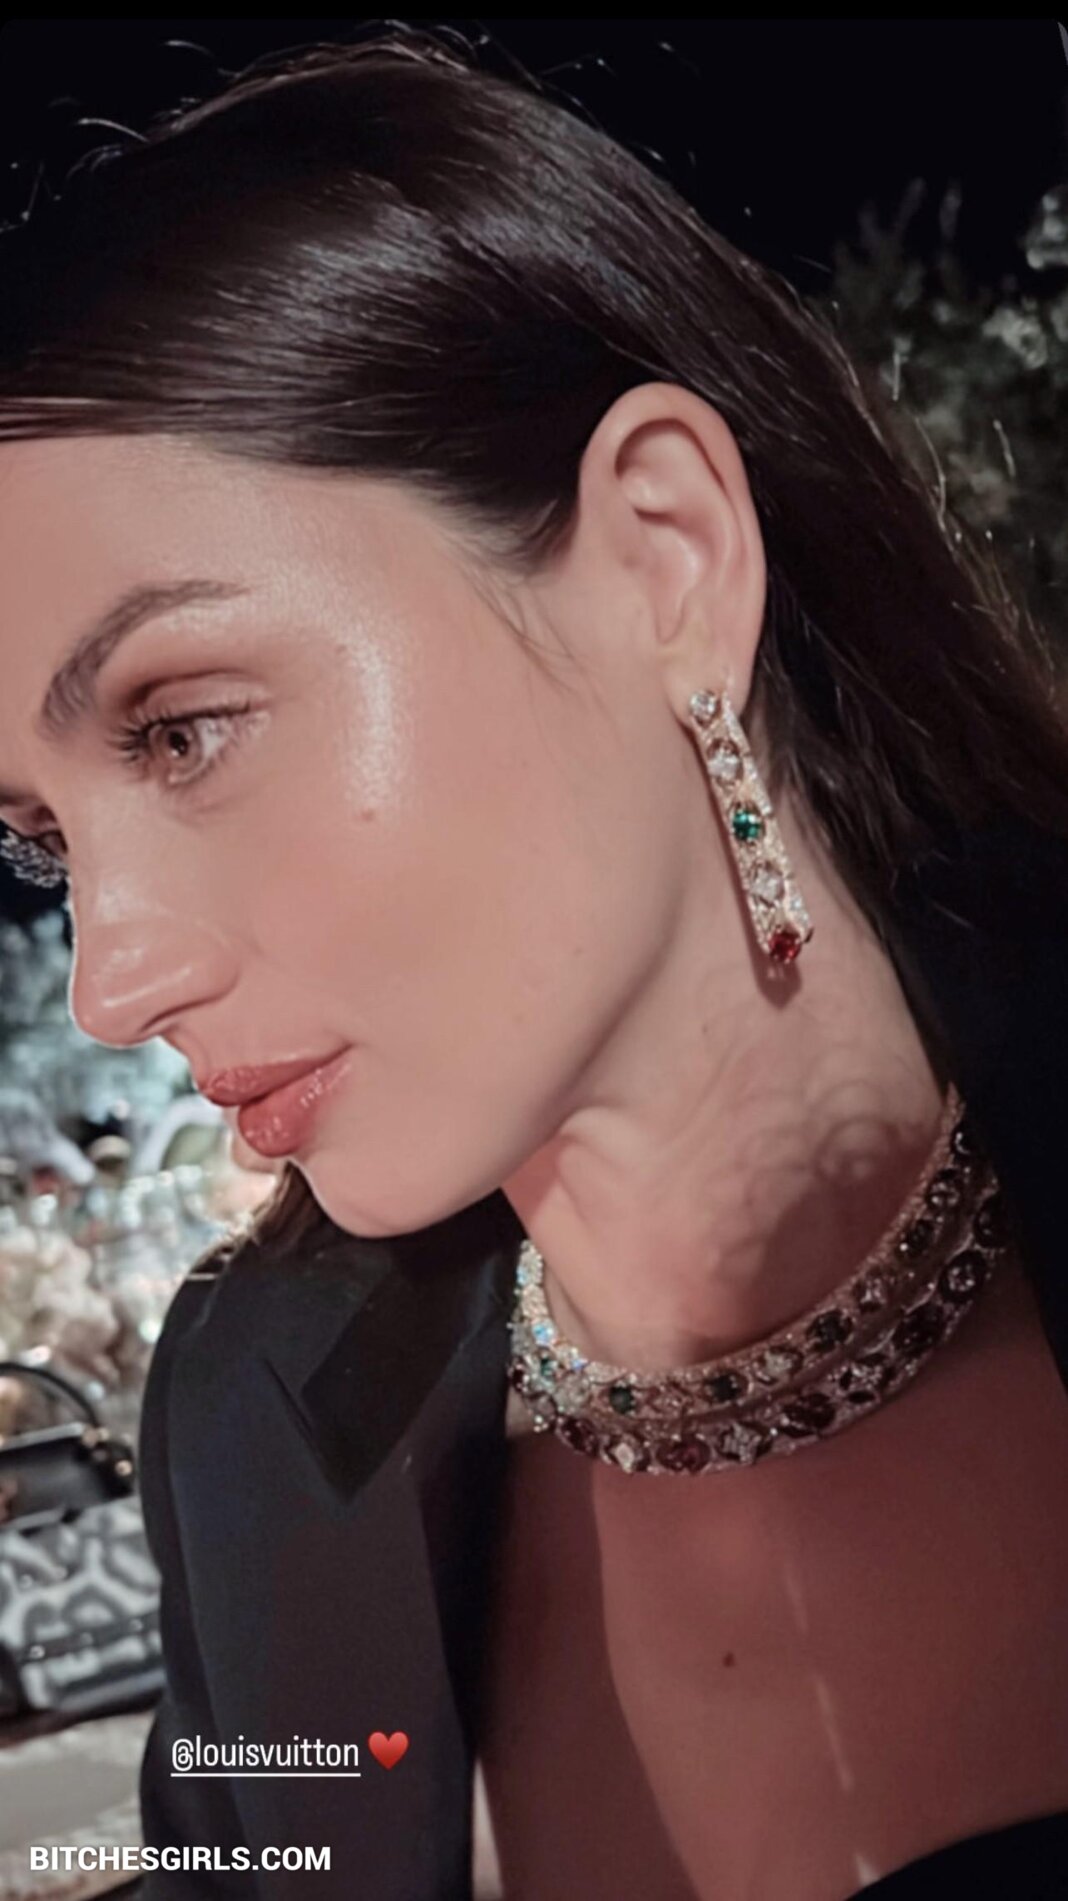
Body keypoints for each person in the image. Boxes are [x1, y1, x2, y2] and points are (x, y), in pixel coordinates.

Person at [0, 26, 1066, 1900]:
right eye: (42, 841)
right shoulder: (255, 1423)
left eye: (180, 726)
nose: (112, 980)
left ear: (664, 557)